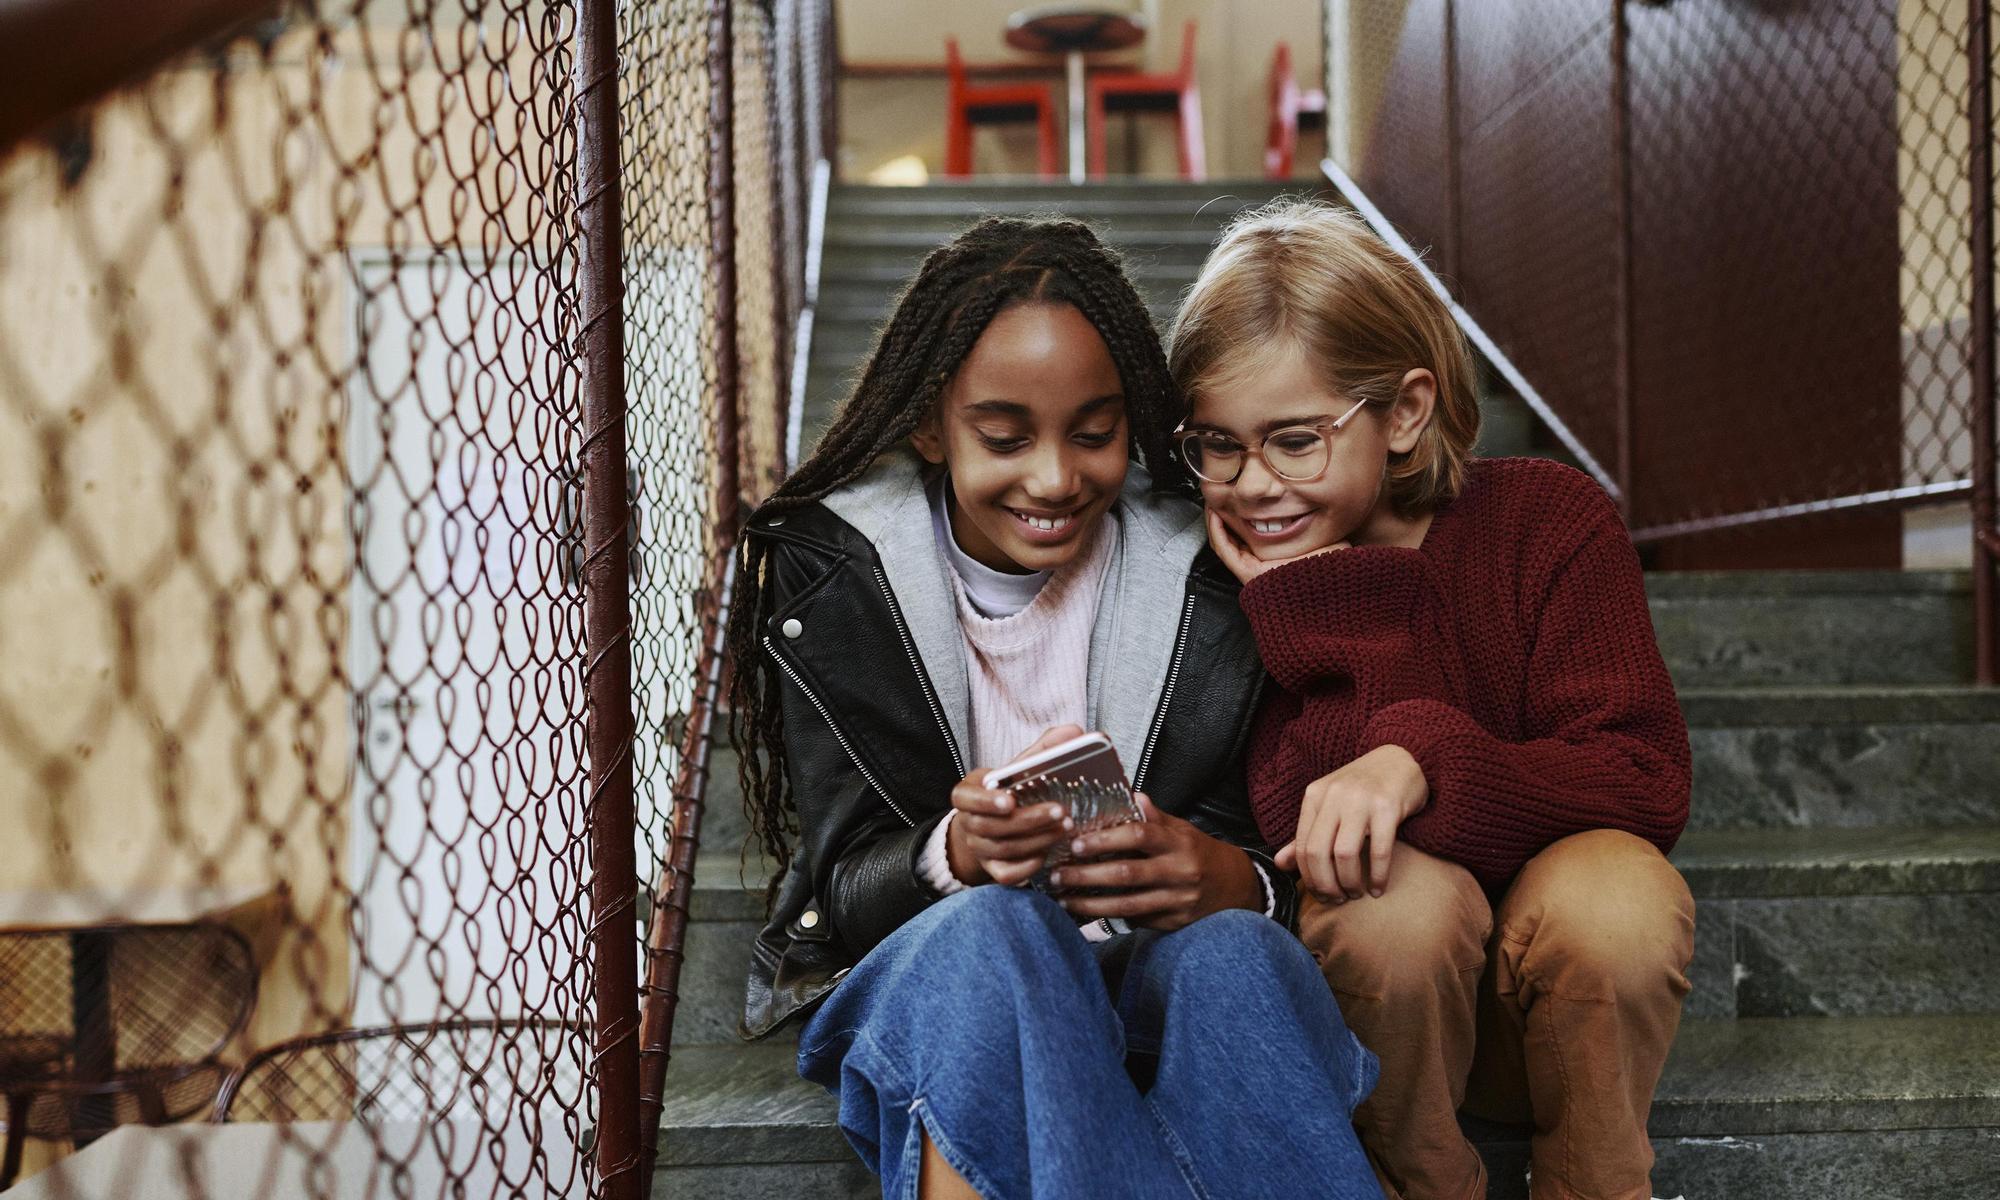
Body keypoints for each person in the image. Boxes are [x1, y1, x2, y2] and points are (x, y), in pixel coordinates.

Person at [728, 216, 1382, 1199]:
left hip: (1155, 962)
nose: (1053, 477)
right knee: (996, 936)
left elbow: (1270, 847)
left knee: (1238, 958)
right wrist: (953, 852)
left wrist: (1233, 882)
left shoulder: (1205, 567)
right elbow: (844, 892)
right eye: (1003, 437)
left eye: (1093, 432)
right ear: (927, 427)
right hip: (947, 971)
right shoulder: (839, 575)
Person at [1167, 199, 1695, 1200]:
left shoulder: (1548, 521)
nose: (1250, 486)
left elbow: (1639, 777)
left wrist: (1417, 757)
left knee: (1615, 896)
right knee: (1380, 900)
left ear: (1404, 411)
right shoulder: (1252, 588)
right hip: (1389, 1021)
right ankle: (1419, 1181)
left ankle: (1591, 1182)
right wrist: (1307, 605)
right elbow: (1295, 826)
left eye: (1292, 439)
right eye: (1217, 445)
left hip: (1570, 999)